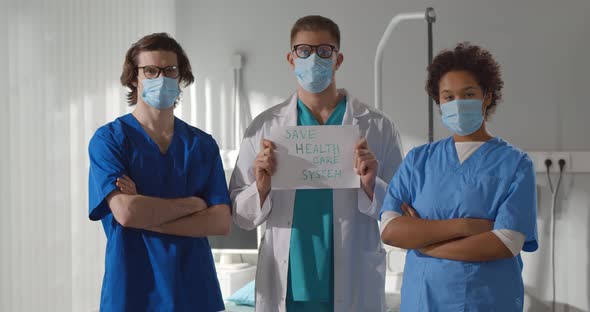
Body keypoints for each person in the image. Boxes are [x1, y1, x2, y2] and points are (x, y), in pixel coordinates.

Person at [229, 15, 403, 312]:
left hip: (352, 274)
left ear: (338, 59)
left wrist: (371, 184)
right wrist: (261, 186)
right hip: (290, 279)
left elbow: (401, 213)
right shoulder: (265, 127)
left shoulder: (377, 126)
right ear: (290, 57)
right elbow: (241, 216)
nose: (313, 59)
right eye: (303, 51)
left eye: (324, 51)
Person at [380, 42, 539, 312]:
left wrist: (425, 245)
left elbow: (505, 242)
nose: (458, 104)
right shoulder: (419, 160)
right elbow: (390, 230)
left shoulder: (515, 164)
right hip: (423, 300)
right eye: (448, 97)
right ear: (439, 102)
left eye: (468, 94)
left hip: (488, 301)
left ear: (487, 96)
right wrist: (465, 227)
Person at [88, 33, 231, 311]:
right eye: (150, 70)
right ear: (134, 77)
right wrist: (193, 205)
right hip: (133, 290)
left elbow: (220, 222)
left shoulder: (201, 145)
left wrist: (145, 210)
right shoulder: (110, 140)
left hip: (194, 289)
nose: (161, 78)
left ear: (181, 76)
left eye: (170, 70)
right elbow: (127, 213)